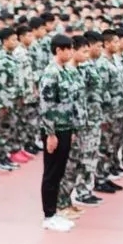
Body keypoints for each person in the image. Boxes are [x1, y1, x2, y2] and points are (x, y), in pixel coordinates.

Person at [38, 34, 80, 232]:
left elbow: (69, 102)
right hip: (54, 130)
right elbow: (46, 105)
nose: (71, 52)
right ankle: (48, 215)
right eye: (68, 49)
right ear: (58, 51)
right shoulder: (51, 73)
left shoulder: (66, 71)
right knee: (51, 173)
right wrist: (50, 133)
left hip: (65, 128)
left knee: (60, 171)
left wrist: (71, 129)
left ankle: (54, 212)